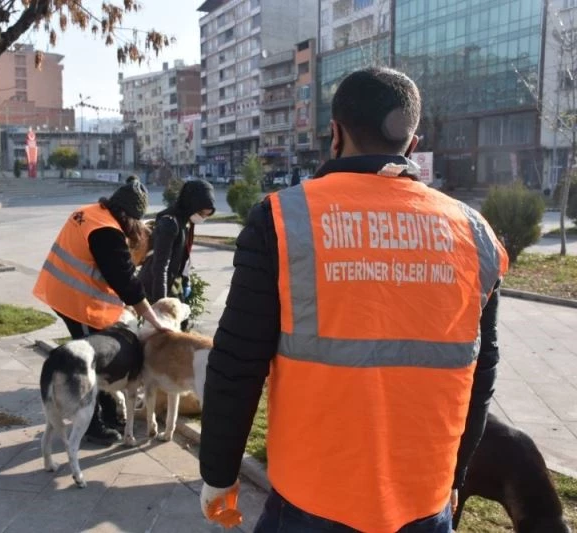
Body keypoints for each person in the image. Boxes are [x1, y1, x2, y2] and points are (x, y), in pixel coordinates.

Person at [197, 67, 509, 533]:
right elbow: (481, 374)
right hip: (424, 502)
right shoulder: (473, 234)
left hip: (310, 499)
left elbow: (236, 363)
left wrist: (219, 475)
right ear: (413, 144)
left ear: (335, 133)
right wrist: (456, 474)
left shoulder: (283, 220)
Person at [33, 175, 173, 446]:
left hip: (61, 290)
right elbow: (126, 284)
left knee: (99, 357)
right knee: (92, 361)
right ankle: (92, 425)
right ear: (129, 216)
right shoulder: (107, 232)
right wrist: (154, 320)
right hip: (76, 301)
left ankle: (110, 414)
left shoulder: (92, 213)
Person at [138, 179, 216, 330]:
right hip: (156, 286)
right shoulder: (169, 223)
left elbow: (184, 257)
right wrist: (161, 305)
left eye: (207, 216)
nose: (202, 218)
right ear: (191, 204)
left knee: (181, 329)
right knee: (164, 338)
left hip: (175, 283)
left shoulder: (186, 222)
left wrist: (186, 282)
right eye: (201, 213)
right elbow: (160, 267)